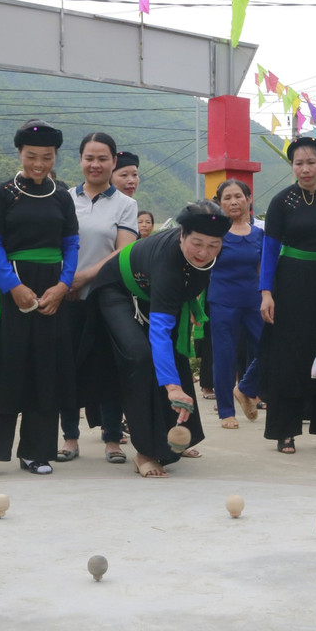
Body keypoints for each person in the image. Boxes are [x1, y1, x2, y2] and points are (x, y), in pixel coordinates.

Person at [0, 121, 80, 481]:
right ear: (20, 154)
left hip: (51, 291)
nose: (39, 164)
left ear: (55, 157)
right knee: (2, 370)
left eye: (46, 157)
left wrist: (63, 285)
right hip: (12, 287)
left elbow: (71, 243)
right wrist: (13, 285)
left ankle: (35, 451)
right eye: (32, 157)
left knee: (45, 370)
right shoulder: (4, 193)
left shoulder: (62, 195)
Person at [91, 200, 230, 477]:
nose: (204, 253)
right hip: (117, 290)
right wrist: (172, 388)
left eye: (213, 246)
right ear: (182, 235)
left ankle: (173, 439)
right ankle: (144, 452)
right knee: (141, 357)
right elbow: (159, 331)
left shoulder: (210, 253)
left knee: (175, 356)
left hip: (158, 294)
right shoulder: (168, 262)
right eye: (197, 243)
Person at [259, 137, 316, 453]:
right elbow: (269, 249)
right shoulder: (282, 201)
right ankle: (285, 431)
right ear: (292, 166)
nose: (305, 169)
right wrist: (266, 292)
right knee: (289, 355)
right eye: (299, 163)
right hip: (290, 283)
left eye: (311, 162)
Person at [60, 131, 136, 463]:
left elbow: (123, 252)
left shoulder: (125, 204)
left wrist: (83, 277)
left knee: (108, 367)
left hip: (106, 296)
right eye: (89, 157)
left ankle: (112, 439)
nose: (95, 164)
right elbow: (56, 245)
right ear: (80, 160)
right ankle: (69, 437)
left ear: (113, 161)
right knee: (66, 365)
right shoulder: (63, 199)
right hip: (65, 296)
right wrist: (65, 281)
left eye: (103, 158)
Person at [208, 179, 264, 429]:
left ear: (249, 199)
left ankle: (245, 388)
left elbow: (265, 269)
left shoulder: (260, 234)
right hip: (223, 301)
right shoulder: (214, 234)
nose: (233, 201)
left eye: (238, 196)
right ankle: (226, 412)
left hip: (255, 301)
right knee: (224, 356)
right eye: (227, 197)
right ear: (220, 203)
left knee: (269, 348)